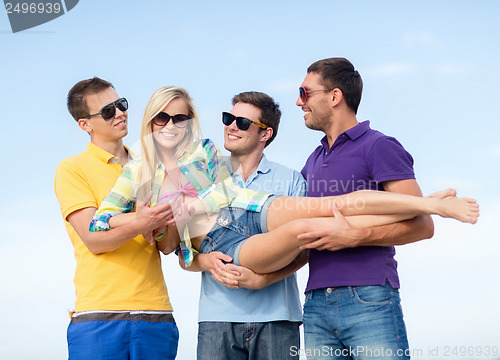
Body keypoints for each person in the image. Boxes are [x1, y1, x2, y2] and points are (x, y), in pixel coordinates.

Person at [90, 85, 478, 279]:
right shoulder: (136, 173)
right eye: (161, 118)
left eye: (179, 117)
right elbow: (107, 224)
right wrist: (143, 219)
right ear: (151, 121)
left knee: (332, 204)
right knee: (309, 229)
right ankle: (426, 208)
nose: (171, 125)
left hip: (250, 206)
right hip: (223, 242)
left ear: (189, 119)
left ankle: (431, 205)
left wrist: (192, 205)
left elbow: (226, 189)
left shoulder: (205, 150)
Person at [295, 57, 462, 359]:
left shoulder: (378, 146)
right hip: (316, 304)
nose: (298, 102)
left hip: (368, 297)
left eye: (305, 92)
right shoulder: (312, 161)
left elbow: (424, 225)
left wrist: (357, 236)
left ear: (334, 96)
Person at [54, 78, 179, 360]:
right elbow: (94, 239)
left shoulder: (150, 167)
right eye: (108, 110)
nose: (121, 113)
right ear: (85, 124)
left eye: (121, 104)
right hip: (98, 316)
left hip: (156, 313)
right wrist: (141, 221)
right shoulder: (72, 169)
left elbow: (168, 246)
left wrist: (169, 215)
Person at [184, 91, 308, 359]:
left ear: (265, 134)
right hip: (216, 319)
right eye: (229, 118)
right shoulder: (203, 175)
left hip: (277, 318)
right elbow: (181, 252)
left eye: (242, 122)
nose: (231, 126)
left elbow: (305, 249)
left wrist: (264, 280)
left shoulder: (291, 180)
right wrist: (205, 262)